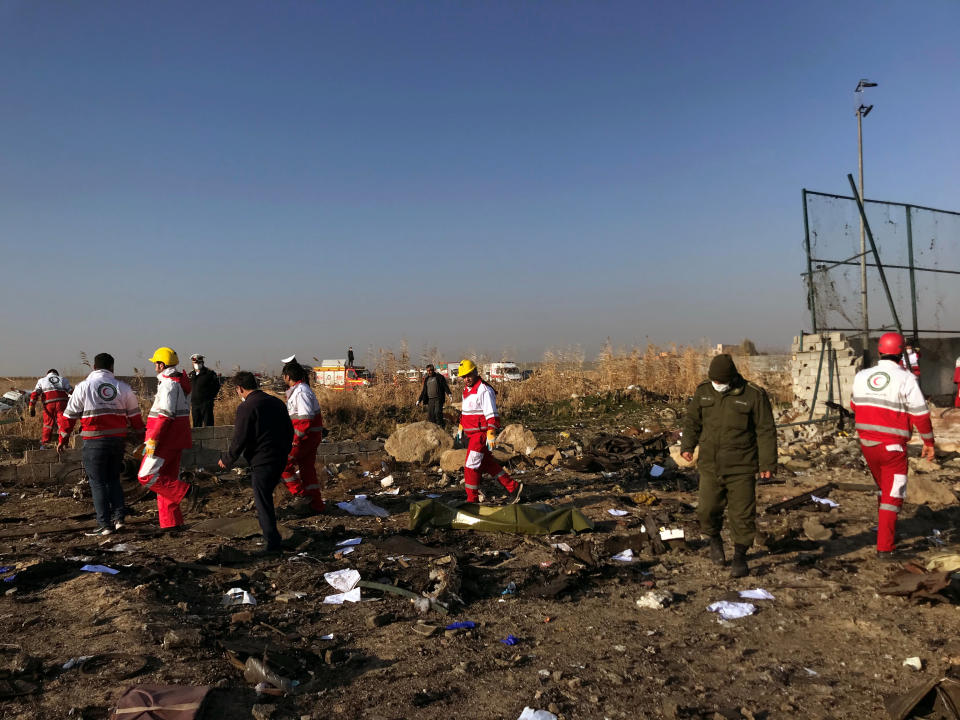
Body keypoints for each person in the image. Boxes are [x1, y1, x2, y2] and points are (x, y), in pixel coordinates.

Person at [681, 353, 776, 578]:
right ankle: (714, 539)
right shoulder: (703, 391)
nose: (717, 386)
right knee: (706, 509)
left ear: (732, 378)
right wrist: (688, 445)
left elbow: (766, 430)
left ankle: (740, 556)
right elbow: (693, 421)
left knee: (742, 514)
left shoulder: (753, 395)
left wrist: (768, 463)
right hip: (710, 465)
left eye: (721, 382)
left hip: (741, 466)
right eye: (715, 381)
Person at [851, 332, 935, 558]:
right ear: (901, 354)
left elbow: (854, 404)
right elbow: (920, 414)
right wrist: (929, 442)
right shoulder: (907, 378)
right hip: (892, 449)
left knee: (883, 489)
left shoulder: (862, 376)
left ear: (879, 352)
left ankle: (885, 532)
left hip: (867, 446)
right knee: (892, 495)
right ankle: (885, 548)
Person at [57, 353, 144, 536]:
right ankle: (119, 519)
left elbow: (69, 417)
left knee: (97, 483)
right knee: (114, 480)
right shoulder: (123, 388)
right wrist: (141, 437)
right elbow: (136, 418)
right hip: (117, 443)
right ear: (112, 368)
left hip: (94, 442)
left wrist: (62, 439)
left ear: (94, 367)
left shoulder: (83, 387)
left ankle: (104, 525)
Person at [218, 371, 293, 554]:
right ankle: (272, 538)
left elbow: (239, 438)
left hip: (262, 461)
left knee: (263, 502)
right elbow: (289, 430)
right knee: (266, 497)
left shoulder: (247, 408)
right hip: (279, 457)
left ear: (240, 388)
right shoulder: (276, 402)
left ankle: (273, 543)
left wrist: (227, 460)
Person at [138, 347, 198, 530]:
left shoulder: (167, 385)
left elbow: (165, 416)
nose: (154, 366)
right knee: (166, 480)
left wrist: (153, 440)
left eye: (155, 363)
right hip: (176, 439)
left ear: (161, 365)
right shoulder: (179, 383)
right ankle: (171, 523)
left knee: (146, 476)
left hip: (164, 440)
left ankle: (188, 491)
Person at [456, 359, 523, 504]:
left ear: (475, 372)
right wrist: (461, 426)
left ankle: (472, 500)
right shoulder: (467, 390)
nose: (466, 379)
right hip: (471, 435)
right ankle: (513, 487)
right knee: (487, 464)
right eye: (463, 376)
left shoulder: (484, 390)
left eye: (468, 375)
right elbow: (466, 411)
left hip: (480, 435)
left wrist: (491, 433)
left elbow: (492, 414)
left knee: (470, 466)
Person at [280, 361, 326, 514]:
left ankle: (300, 495)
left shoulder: (301, 392)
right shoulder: (300, 390)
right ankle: (316, 504)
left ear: (287, 376)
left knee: (283, 464)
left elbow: (305, 419)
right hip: (309, 437)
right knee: (307, 470)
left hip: (304, 438)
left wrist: (295, 439)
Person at [29, 369, 73, 447]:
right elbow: (71, 391)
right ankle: (64, 443)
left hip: (48, 404)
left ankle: (45, 443)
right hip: (61, 403)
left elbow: (35, 393)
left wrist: (32, 406)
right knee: (62, 423)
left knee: (48, 424)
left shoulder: (42, 380)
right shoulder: (63, 379)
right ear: (56, 374)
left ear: (47, 374)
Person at [188, 353, 220, 427]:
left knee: (208, 425)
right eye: (195, 363)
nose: (197, 364)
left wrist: (210, 398)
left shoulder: (209, 374)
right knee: (196, 426)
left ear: (202, 362)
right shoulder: (191, 375)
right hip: (195, 405)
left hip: (206, 404)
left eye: (199, 362)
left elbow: (216, 387)